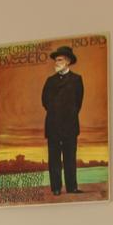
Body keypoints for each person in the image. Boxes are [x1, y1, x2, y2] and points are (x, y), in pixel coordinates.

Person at [41, 46, 84, 195]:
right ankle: (56, 188)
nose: (56, 63)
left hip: (70, 125)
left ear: (68, 61)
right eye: (56, 60)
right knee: (54, 158)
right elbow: (45, 101)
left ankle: (72, 187)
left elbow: (78, 102)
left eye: (59, 60)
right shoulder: (50, 81)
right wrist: (55, 113)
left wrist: (68, 115)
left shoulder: (76, 80)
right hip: (53, 125)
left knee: (70, 158)